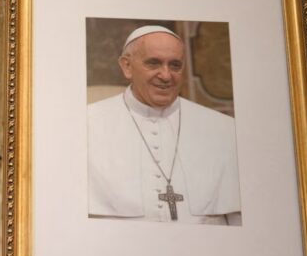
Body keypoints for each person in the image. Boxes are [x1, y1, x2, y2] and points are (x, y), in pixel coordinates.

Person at [87, 25, 242, 225]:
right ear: (127, 66)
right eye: (153, 63)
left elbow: (240, 222)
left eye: (175, 65)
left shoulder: (225, 129)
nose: (166, 75)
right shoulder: (86, 124)